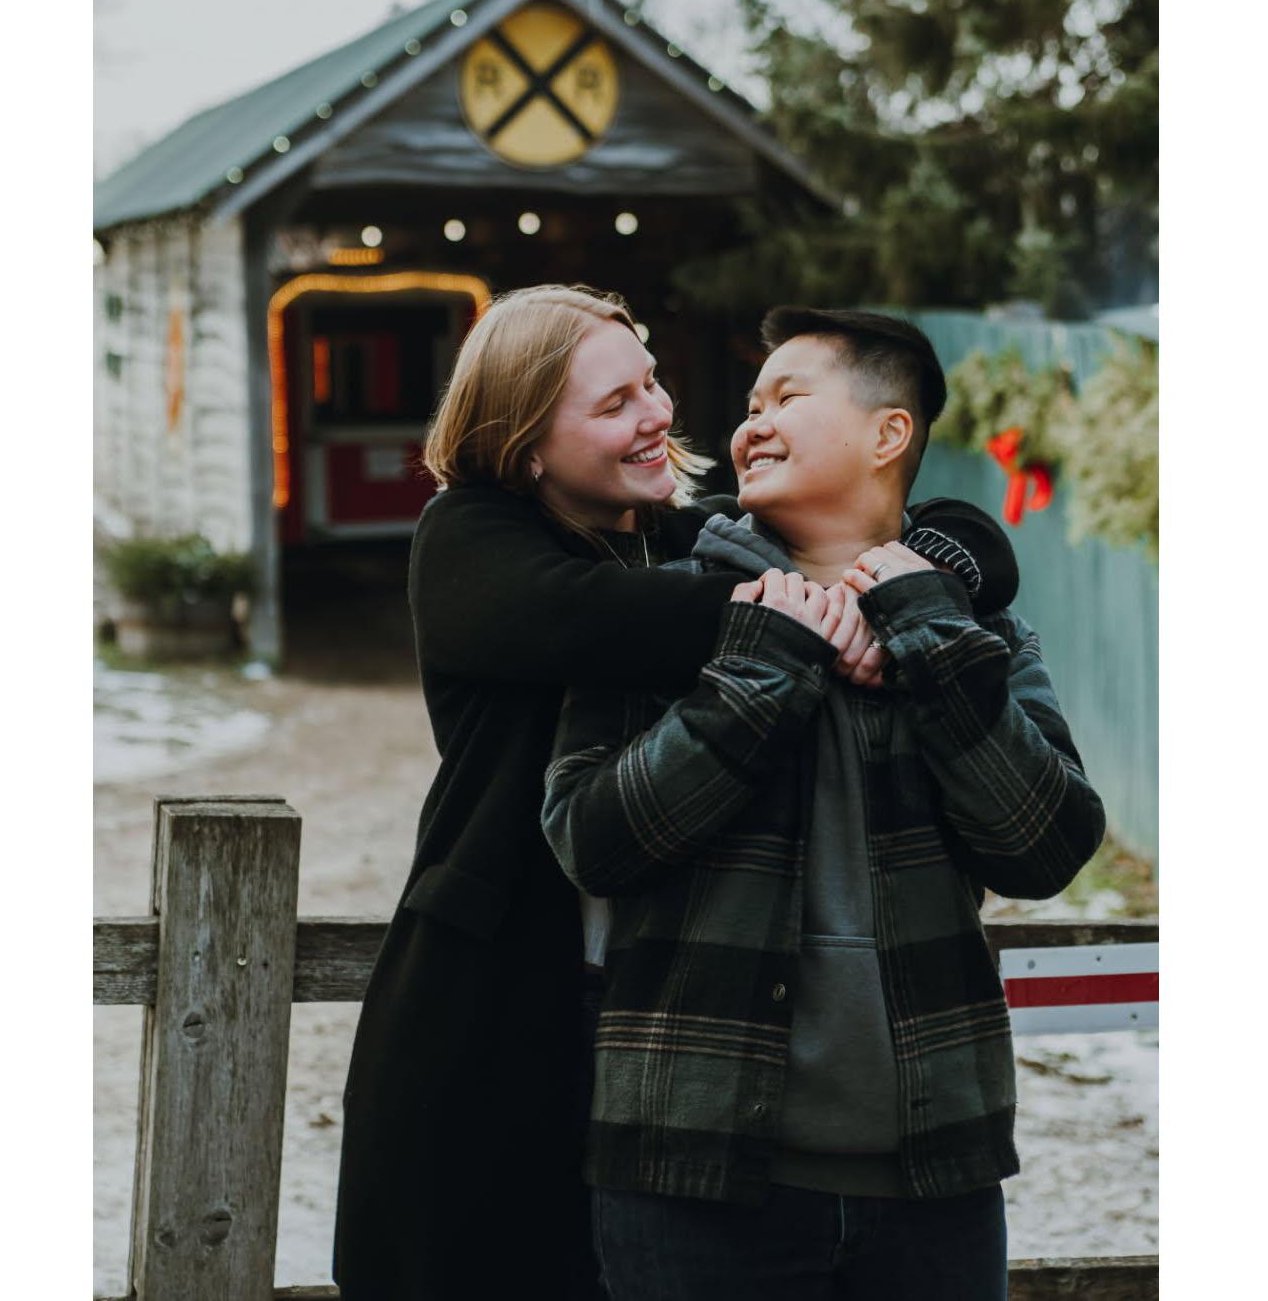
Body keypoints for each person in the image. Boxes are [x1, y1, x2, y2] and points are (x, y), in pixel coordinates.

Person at [332, 285, 1019, 1301]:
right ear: (525, 443)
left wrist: (905, 567)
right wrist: (818, 602)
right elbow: (608, 617)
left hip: (663, 1014)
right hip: (498, 1001)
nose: (658, 412)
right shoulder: (470, 540)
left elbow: (956, 532)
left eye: (650, 382)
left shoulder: (680, 536)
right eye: (615, 404)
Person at [541, 306, 1106, 1301]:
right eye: (750, 404)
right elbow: (594, 840)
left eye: (787, 398)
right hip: (691, 1166)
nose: (750, 425)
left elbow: (1044, 848)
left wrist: (926, 633)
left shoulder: (975, 632)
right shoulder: (665, 608)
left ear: (889, 434)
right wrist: (763, 669)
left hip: (934, 1172)